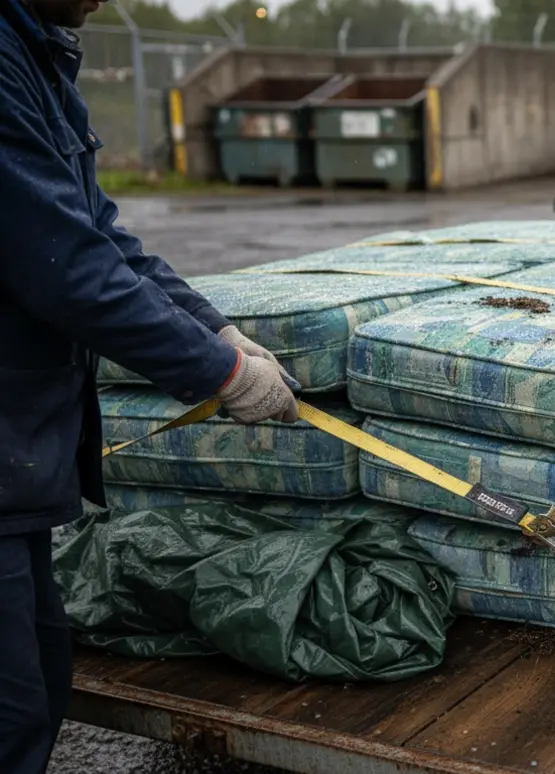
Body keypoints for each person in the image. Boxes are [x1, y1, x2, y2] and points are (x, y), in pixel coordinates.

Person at [0, 0, 301, 769]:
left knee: (40, 675)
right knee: (11, 710)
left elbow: (99, 235)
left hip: (14, 467)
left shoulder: (37, 57)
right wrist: (220, 374)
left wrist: (216, 330)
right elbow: (64, 266)